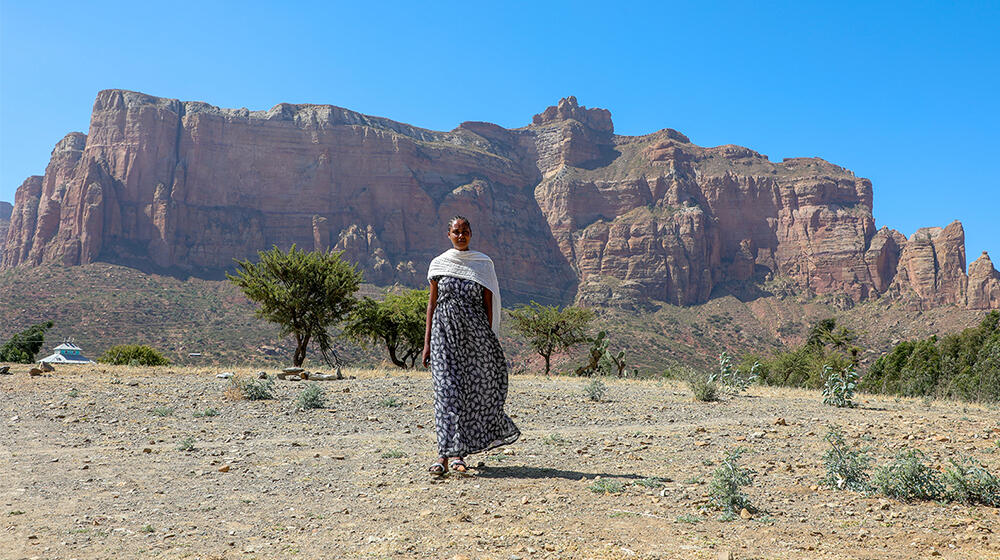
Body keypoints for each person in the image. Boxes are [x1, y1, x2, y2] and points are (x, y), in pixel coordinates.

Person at [422, 216, 520, 475]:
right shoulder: (439, 264)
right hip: (443, 336)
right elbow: (432, 304)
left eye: (465, 231)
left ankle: (458, 453)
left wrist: (488, 340)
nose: (461, 235)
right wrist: (427, 342)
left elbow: (489, 305)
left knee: (468, 394)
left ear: (471, 234)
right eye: (456, 231)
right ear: (449, 234)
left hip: (475, 339)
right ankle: (445, 456)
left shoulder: (482, 264)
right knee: (446, 393)